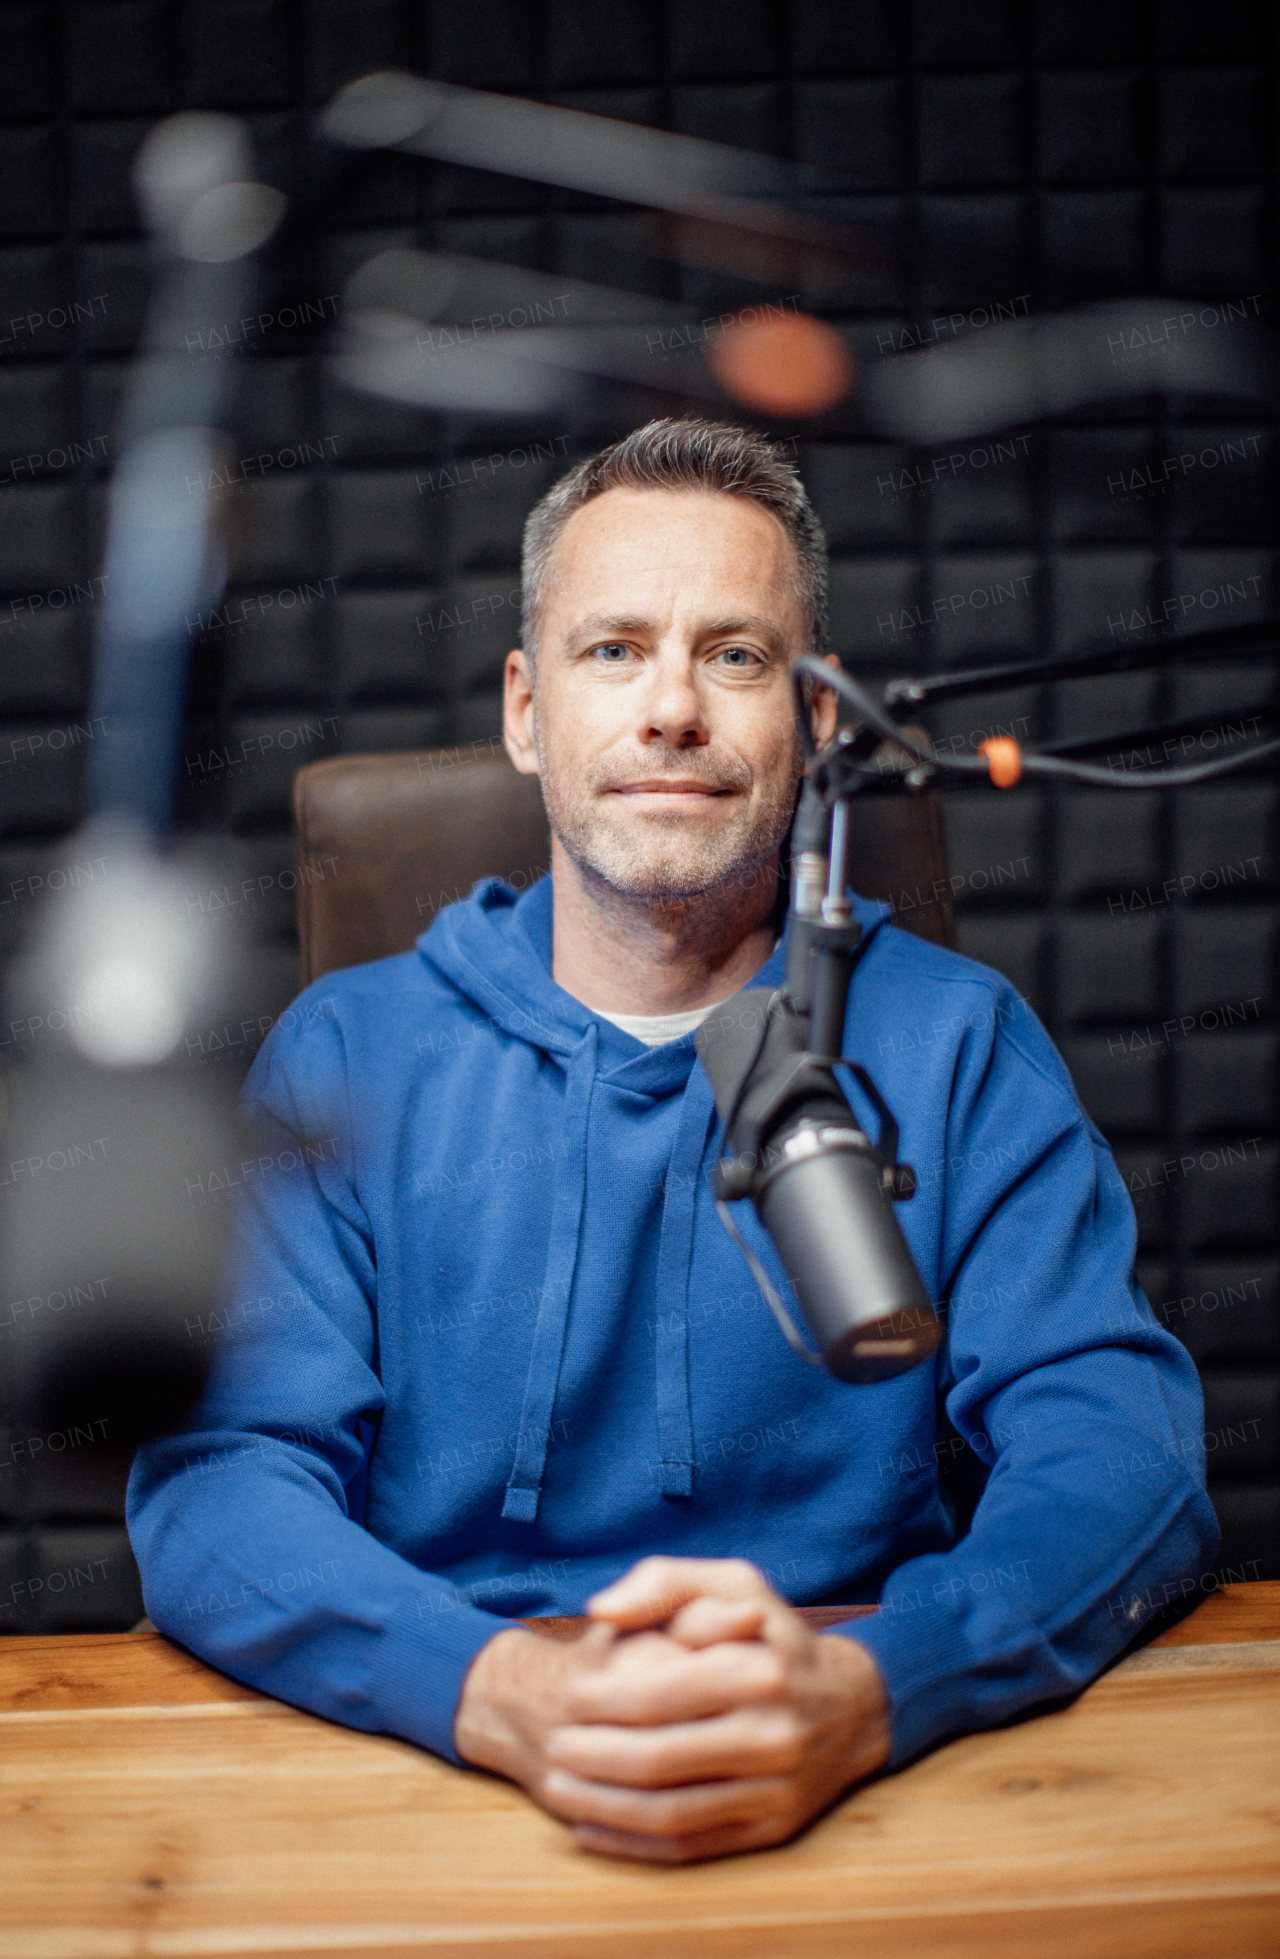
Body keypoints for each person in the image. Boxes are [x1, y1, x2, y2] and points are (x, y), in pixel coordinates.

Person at [128, 418, 1218, 1865]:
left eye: (738, 656)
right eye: (613, 650)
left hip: (858, 1763)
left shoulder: (958, 1045)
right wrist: (489, 1687)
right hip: (439, 1770)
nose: (672, 711)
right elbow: (218, 1479)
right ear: (527, 710)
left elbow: (1122, 1459)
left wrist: (883, 1684)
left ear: (820, 725)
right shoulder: (348, 1055)